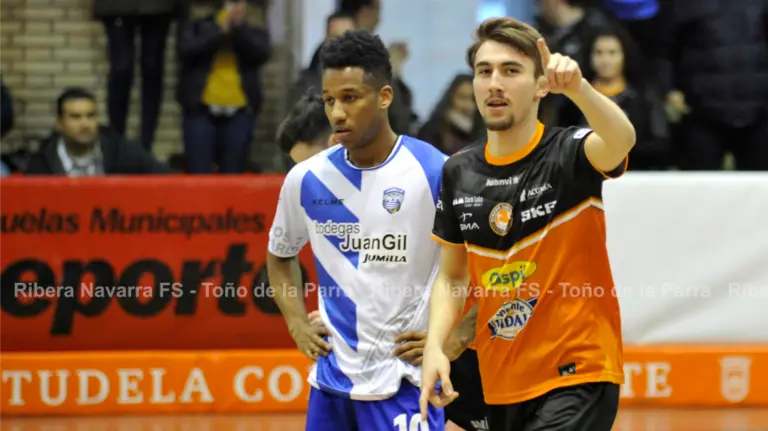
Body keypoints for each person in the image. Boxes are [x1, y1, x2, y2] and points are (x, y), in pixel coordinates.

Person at [420, 17, 635, 431]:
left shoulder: (570, 153)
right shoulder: (458, 171)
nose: (494, 83)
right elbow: (451, 279)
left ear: (541, 86)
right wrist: (435, 348)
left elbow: (622, 140)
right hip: (500, 381)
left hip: (578, 372)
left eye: (511, 71)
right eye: (485, 71)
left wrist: (580, 89)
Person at [278, 78, 490, 431]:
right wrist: (331, 319)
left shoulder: (433, 176)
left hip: (464, 355)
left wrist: (455, 337)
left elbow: (502, 269)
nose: (306, 179)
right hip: (394, 367)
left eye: (309, 165)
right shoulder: (330, 199)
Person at [266, 29, 449, 430]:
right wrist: (296, 322)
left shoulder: (434, 171)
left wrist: (453, 338)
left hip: (403, 383)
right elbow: (280, 256)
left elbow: (479, 262)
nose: (336, 113)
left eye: (350, 98)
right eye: (330, 100)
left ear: (384, 96)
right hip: (331, 386)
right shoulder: (306, 178)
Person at [25, 88, 171, 176]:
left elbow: (170, 180)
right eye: (75, 117)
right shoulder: (41, 164)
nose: (85, 124)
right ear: (59, 124)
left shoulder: (123, 151)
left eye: (91, 116)